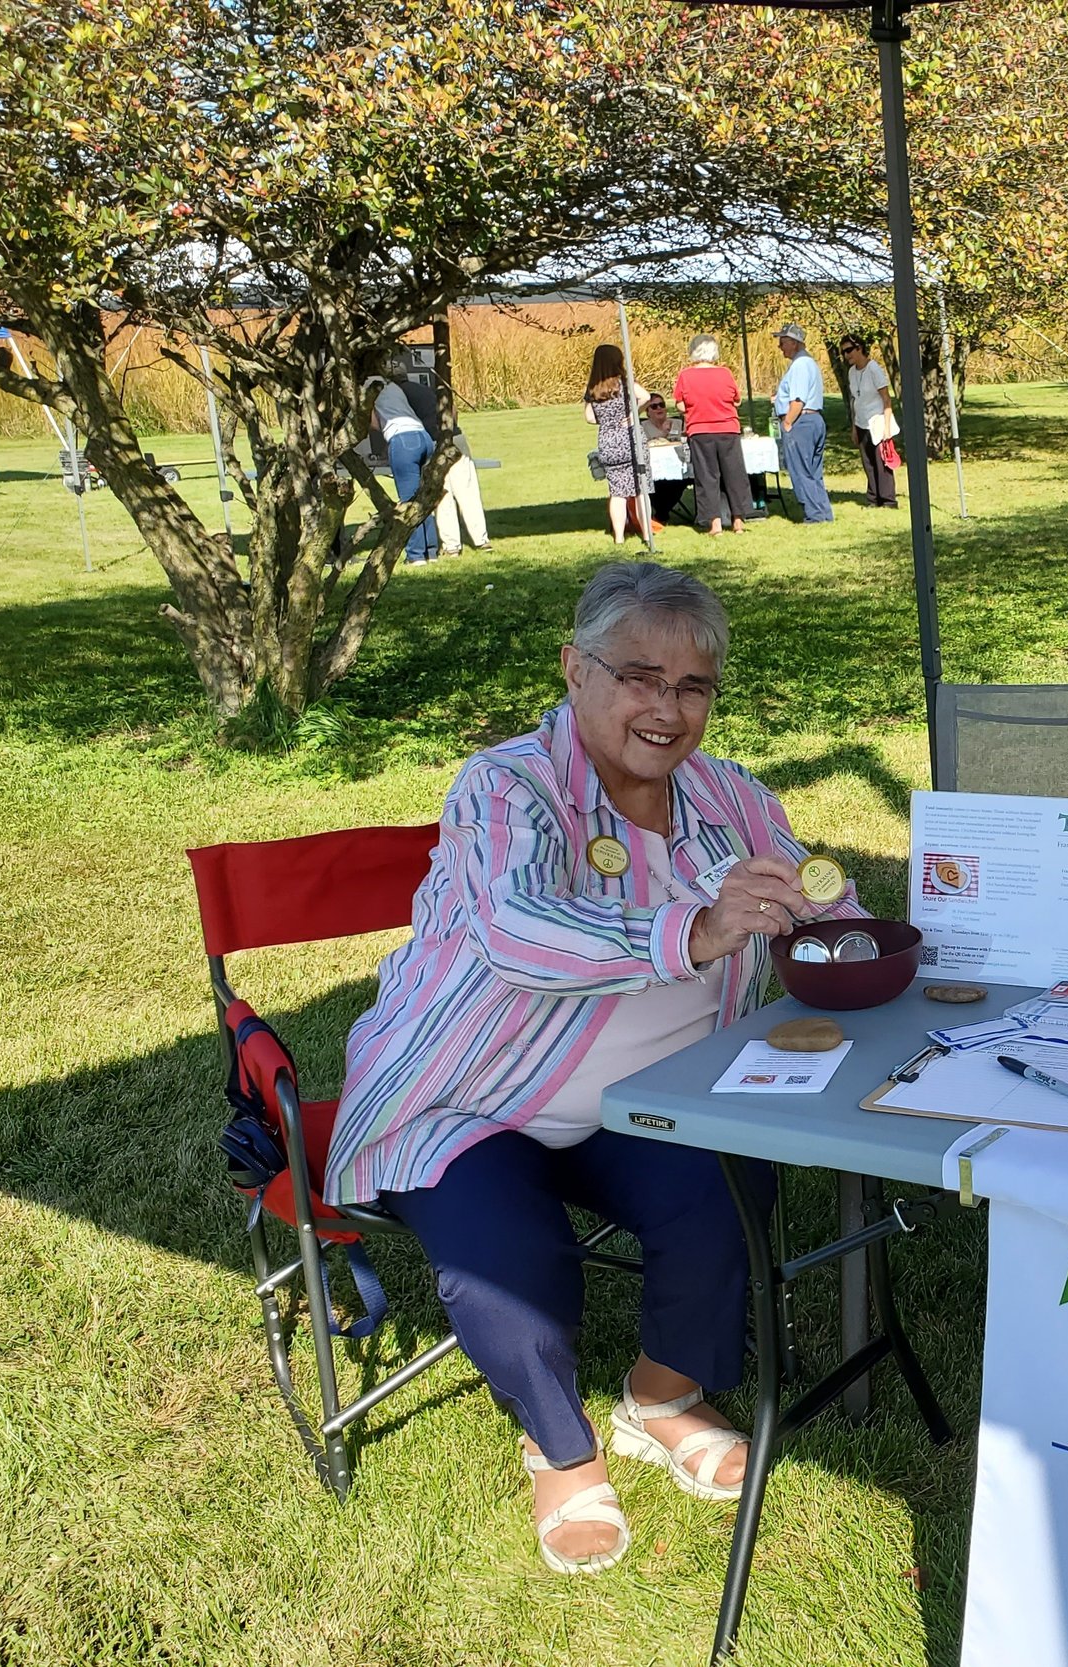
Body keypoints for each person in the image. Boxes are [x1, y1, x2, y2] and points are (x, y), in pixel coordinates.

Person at [327, 561, 870, 1575]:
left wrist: (837, 920)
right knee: (508, 1252)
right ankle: (559, 1447)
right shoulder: (507, 785)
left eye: (693, 686)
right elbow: (519, 929)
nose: (667, 709)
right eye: (639, 676)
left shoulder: (727, 793)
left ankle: (660, 1394)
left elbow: (815, 895)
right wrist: (697, 929)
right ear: (575, 667)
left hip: (643, 1095)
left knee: (728, 1179)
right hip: (469, 1088)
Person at [395, 374, 489, 555]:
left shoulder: (397, 395)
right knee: (468, 491)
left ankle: (452, 545)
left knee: (442, 493)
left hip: (434, 442)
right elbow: (452, 410)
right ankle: (482, 540)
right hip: (456, 436)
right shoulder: (425, 389)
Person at [673, 334, 752, 535]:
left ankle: (714, 524)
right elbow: (737, 400)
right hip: (727, 429)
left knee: (707, 476)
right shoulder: (725, 374)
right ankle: (738, 522)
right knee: (734, 474)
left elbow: (681, 405)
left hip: (700, 431)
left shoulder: (685, 376)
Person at [363, 374, 438, 563]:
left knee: (408, 501)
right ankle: (431, 550)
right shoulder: (392, 387)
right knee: (423, 498)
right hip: (423, 437)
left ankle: (415, 555)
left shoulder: (367, 389)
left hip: (402, 440)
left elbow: (373, 423)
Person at [582, 345, 652, 543]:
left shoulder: (593, 389)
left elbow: (589, 417)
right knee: (640, 489)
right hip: (630, 439)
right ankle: (647, 535)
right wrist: (632, 415)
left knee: (617, 492)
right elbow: (646, 396)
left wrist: (606, 420)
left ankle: (619, 538)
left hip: (608, 442)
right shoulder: (625, 383)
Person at [769, 323, 832, 523]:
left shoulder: (800, 365)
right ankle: (823, 512)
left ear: (795, 343)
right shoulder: (808, 363)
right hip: (812, 420)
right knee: (813, 471)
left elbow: (798, 400)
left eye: (783, 341)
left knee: (801, 470)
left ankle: (814, 515)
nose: (780, 346)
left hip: (801, 422)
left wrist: (787, 422)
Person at [841, 335, 897, 510]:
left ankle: (888, 501)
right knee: (868, 463)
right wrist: (854, 428)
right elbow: (854, 400)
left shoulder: (873, 369)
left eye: (849, 350)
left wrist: (887, 428)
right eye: (843, 352)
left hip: (878, 422)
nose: (846, 355)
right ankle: (873, 499)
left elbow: (886, 399)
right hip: (862, 422)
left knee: (882, 464)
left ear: (859, 348)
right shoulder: (852, 372)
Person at [639, 395, 692, 529]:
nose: (659, 409)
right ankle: (661, 515)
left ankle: (661, 515)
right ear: (647, 411)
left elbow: (686, 439)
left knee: (679, 481)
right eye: (654, 406)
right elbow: (642, 446)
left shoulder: (677, 423)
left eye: (661, 405)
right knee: (652, 484)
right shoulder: (642, 427)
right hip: (653, 467)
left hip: (677, 465)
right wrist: (663, 433)